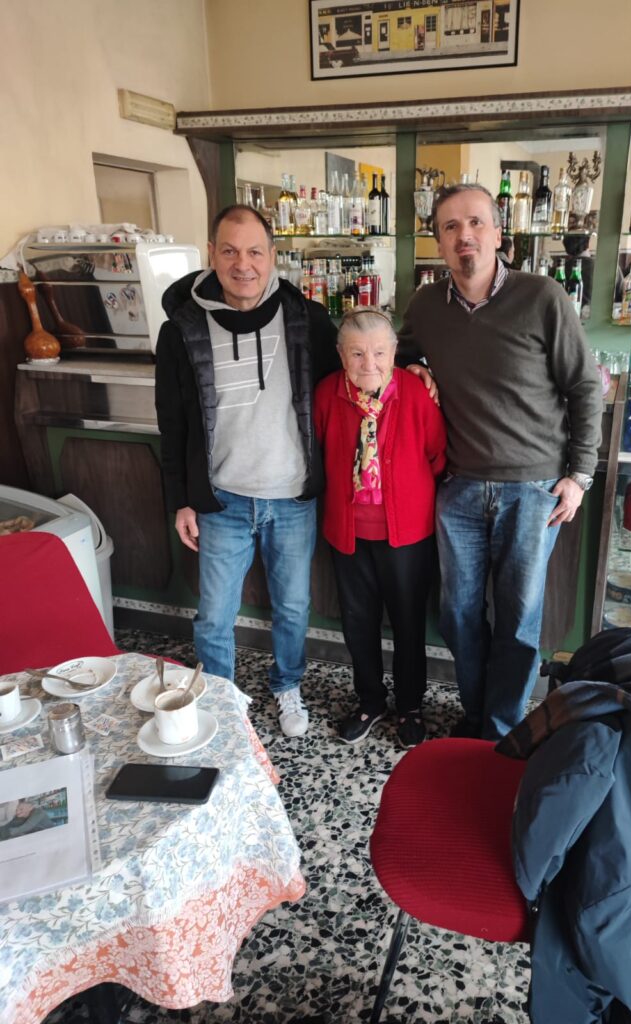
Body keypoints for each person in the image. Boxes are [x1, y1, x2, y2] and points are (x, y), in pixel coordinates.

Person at [398, 183, 602, 741]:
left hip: (533, 489)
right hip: (459, 488)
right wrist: (415, 369)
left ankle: (502, 728)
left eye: (476, 223)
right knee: (459, 618)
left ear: (498, 233)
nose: (465, 236)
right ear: (438, 242)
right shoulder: (425, 306)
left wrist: (579, 476)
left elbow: (586, 387)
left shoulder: (542, 296)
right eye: (450, 228)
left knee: (517, 623)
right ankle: (474, 716)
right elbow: (400, 354)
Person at [155, 205, 338, 737]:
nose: (243, 264)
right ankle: (220, 701)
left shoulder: (308, 321)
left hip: (293, 497)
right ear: (211, 254)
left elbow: (354, 376)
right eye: (230, 251)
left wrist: (414, 363)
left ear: (272, 256)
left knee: (293, 608)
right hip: (222, 501)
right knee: (213, 616)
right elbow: (172, 425)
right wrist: (180, 500)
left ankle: (287, 687)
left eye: (255, 251)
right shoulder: (181, 331)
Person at [314, 309, 446, 748]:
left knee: (409, 623)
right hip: (348, 532)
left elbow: (436, 456)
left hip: (407, 533)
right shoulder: (326, 395)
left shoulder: (414, 393)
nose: (368, 363)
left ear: (394, 353)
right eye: (356, 353)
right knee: (358, 623)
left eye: (378, 352)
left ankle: (410, 706)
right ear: (341, 355)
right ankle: (369, 701)